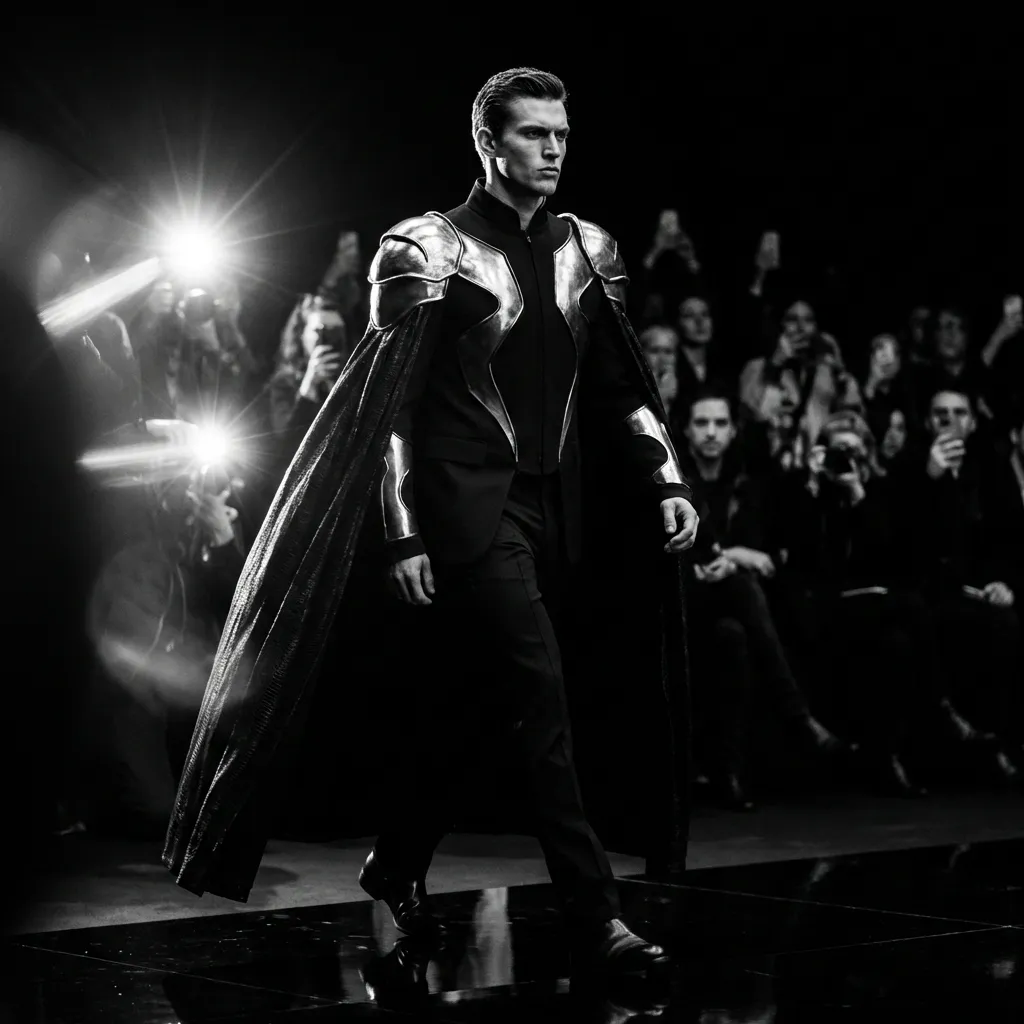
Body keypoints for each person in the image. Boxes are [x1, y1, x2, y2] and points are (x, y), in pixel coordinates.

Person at [164, 68, 698, 976]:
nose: (554, 148)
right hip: (463, 514)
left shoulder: (588, 249)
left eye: (561, 133)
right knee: (539, 697)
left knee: (476, 709)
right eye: (534, 134)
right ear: (491, 144)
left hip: (552, 510)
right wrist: (404, 531)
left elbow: (619, 388)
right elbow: (386, 412)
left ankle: (396, 861)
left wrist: (665, 477)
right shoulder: (426, 249)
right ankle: (595, 914)